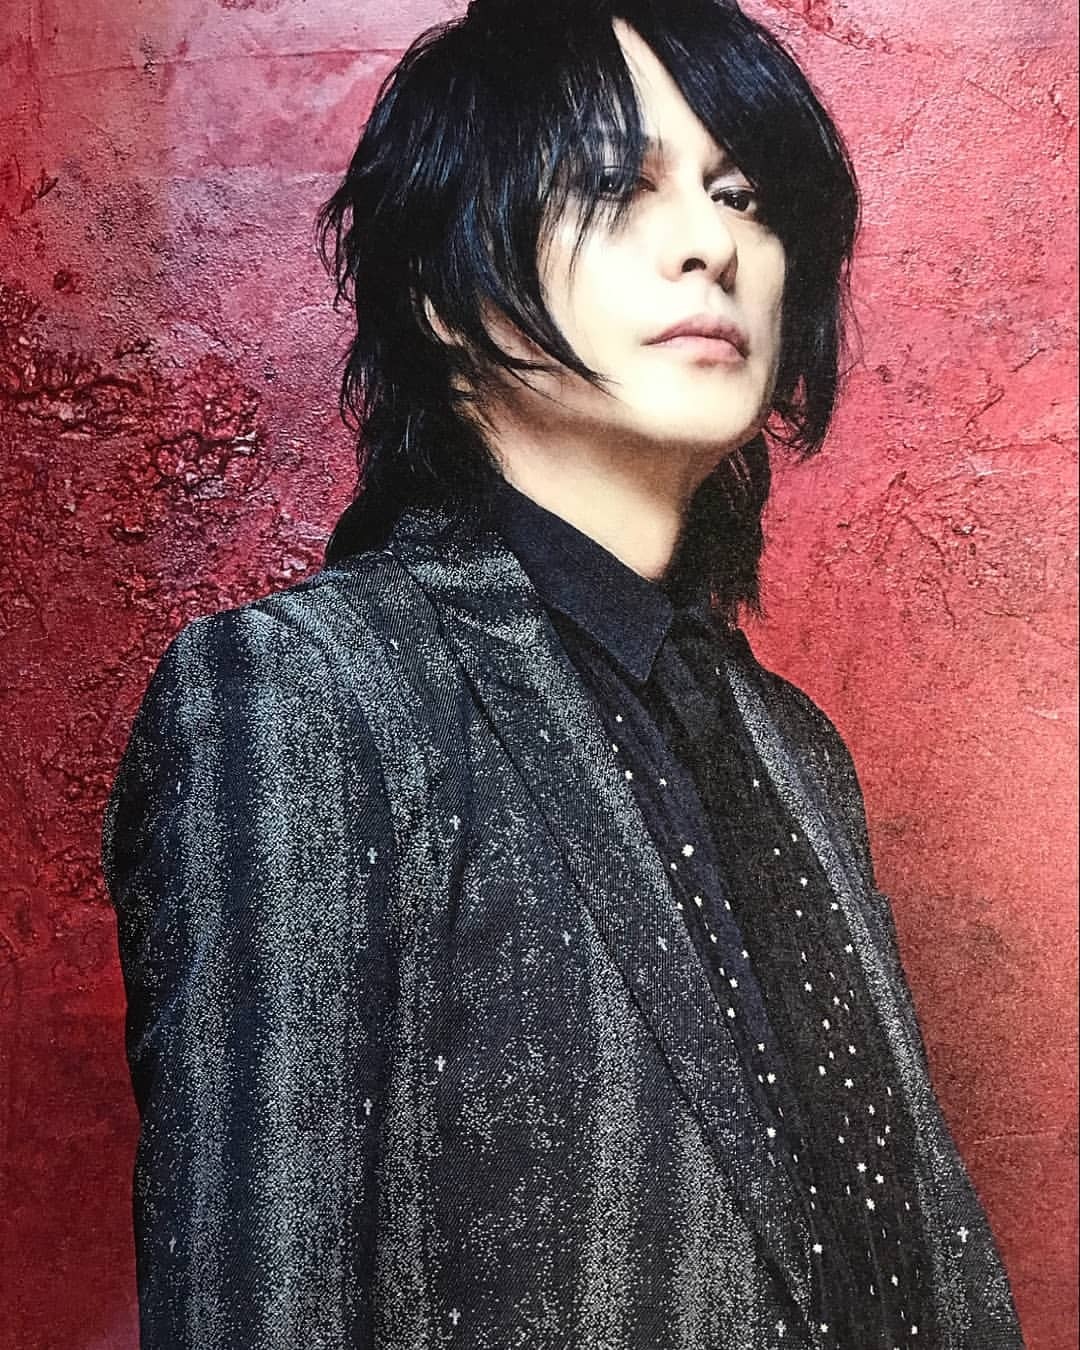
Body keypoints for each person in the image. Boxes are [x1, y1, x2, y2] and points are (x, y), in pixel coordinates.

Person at [101, 1, 1026, 1346]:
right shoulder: (303, 696)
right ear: (444, 292)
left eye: (742, 197)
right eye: (614, 184)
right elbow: (260, 1299)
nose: (711, 242)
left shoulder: (796, 748)